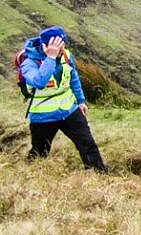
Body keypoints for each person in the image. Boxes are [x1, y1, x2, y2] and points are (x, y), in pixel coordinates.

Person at [18, 26, 107, 172]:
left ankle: (100, 175)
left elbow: (73, 77)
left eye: (62, 45)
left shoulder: (66, 55)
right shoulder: (29, 63)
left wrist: (80, 101)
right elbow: (39, 82)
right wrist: (50, 58)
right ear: (45, 46)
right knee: (40, 152)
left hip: (69, 110)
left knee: (87, 144)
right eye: (57, 46)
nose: (61, 49)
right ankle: (29, 174)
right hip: (43, 116)